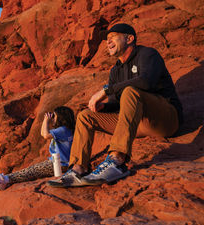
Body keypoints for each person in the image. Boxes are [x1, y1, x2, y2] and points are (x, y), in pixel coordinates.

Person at [48, 23, 183, 187]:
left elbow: (146, 81)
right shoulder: (115, 70)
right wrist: (104, 107)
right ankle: (78, 169)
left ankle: (117, 161)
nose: (108, 42)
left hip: (165, 119)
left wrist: (106, 90)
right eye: (107, 39)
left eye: (113, 37)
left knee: (130, 91)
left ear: (129, 38)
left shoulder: (147, 54)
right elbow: (118, 103)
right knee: (85, 116)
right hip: (135, 123)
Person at [0, 106, 75, 190]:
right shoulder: (65, 130)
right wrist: (46, 121)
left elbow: (45, 134)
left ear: (60, 117)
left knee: (32, 171)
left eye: (55, 116)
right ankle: (3, 180)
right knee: (32, 169)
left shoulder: (63, 129)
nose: (53, 119)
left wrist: (46, 120)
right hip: (59, 162)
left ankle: (3, 180)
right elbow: (43, 133)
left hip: (60, 164)